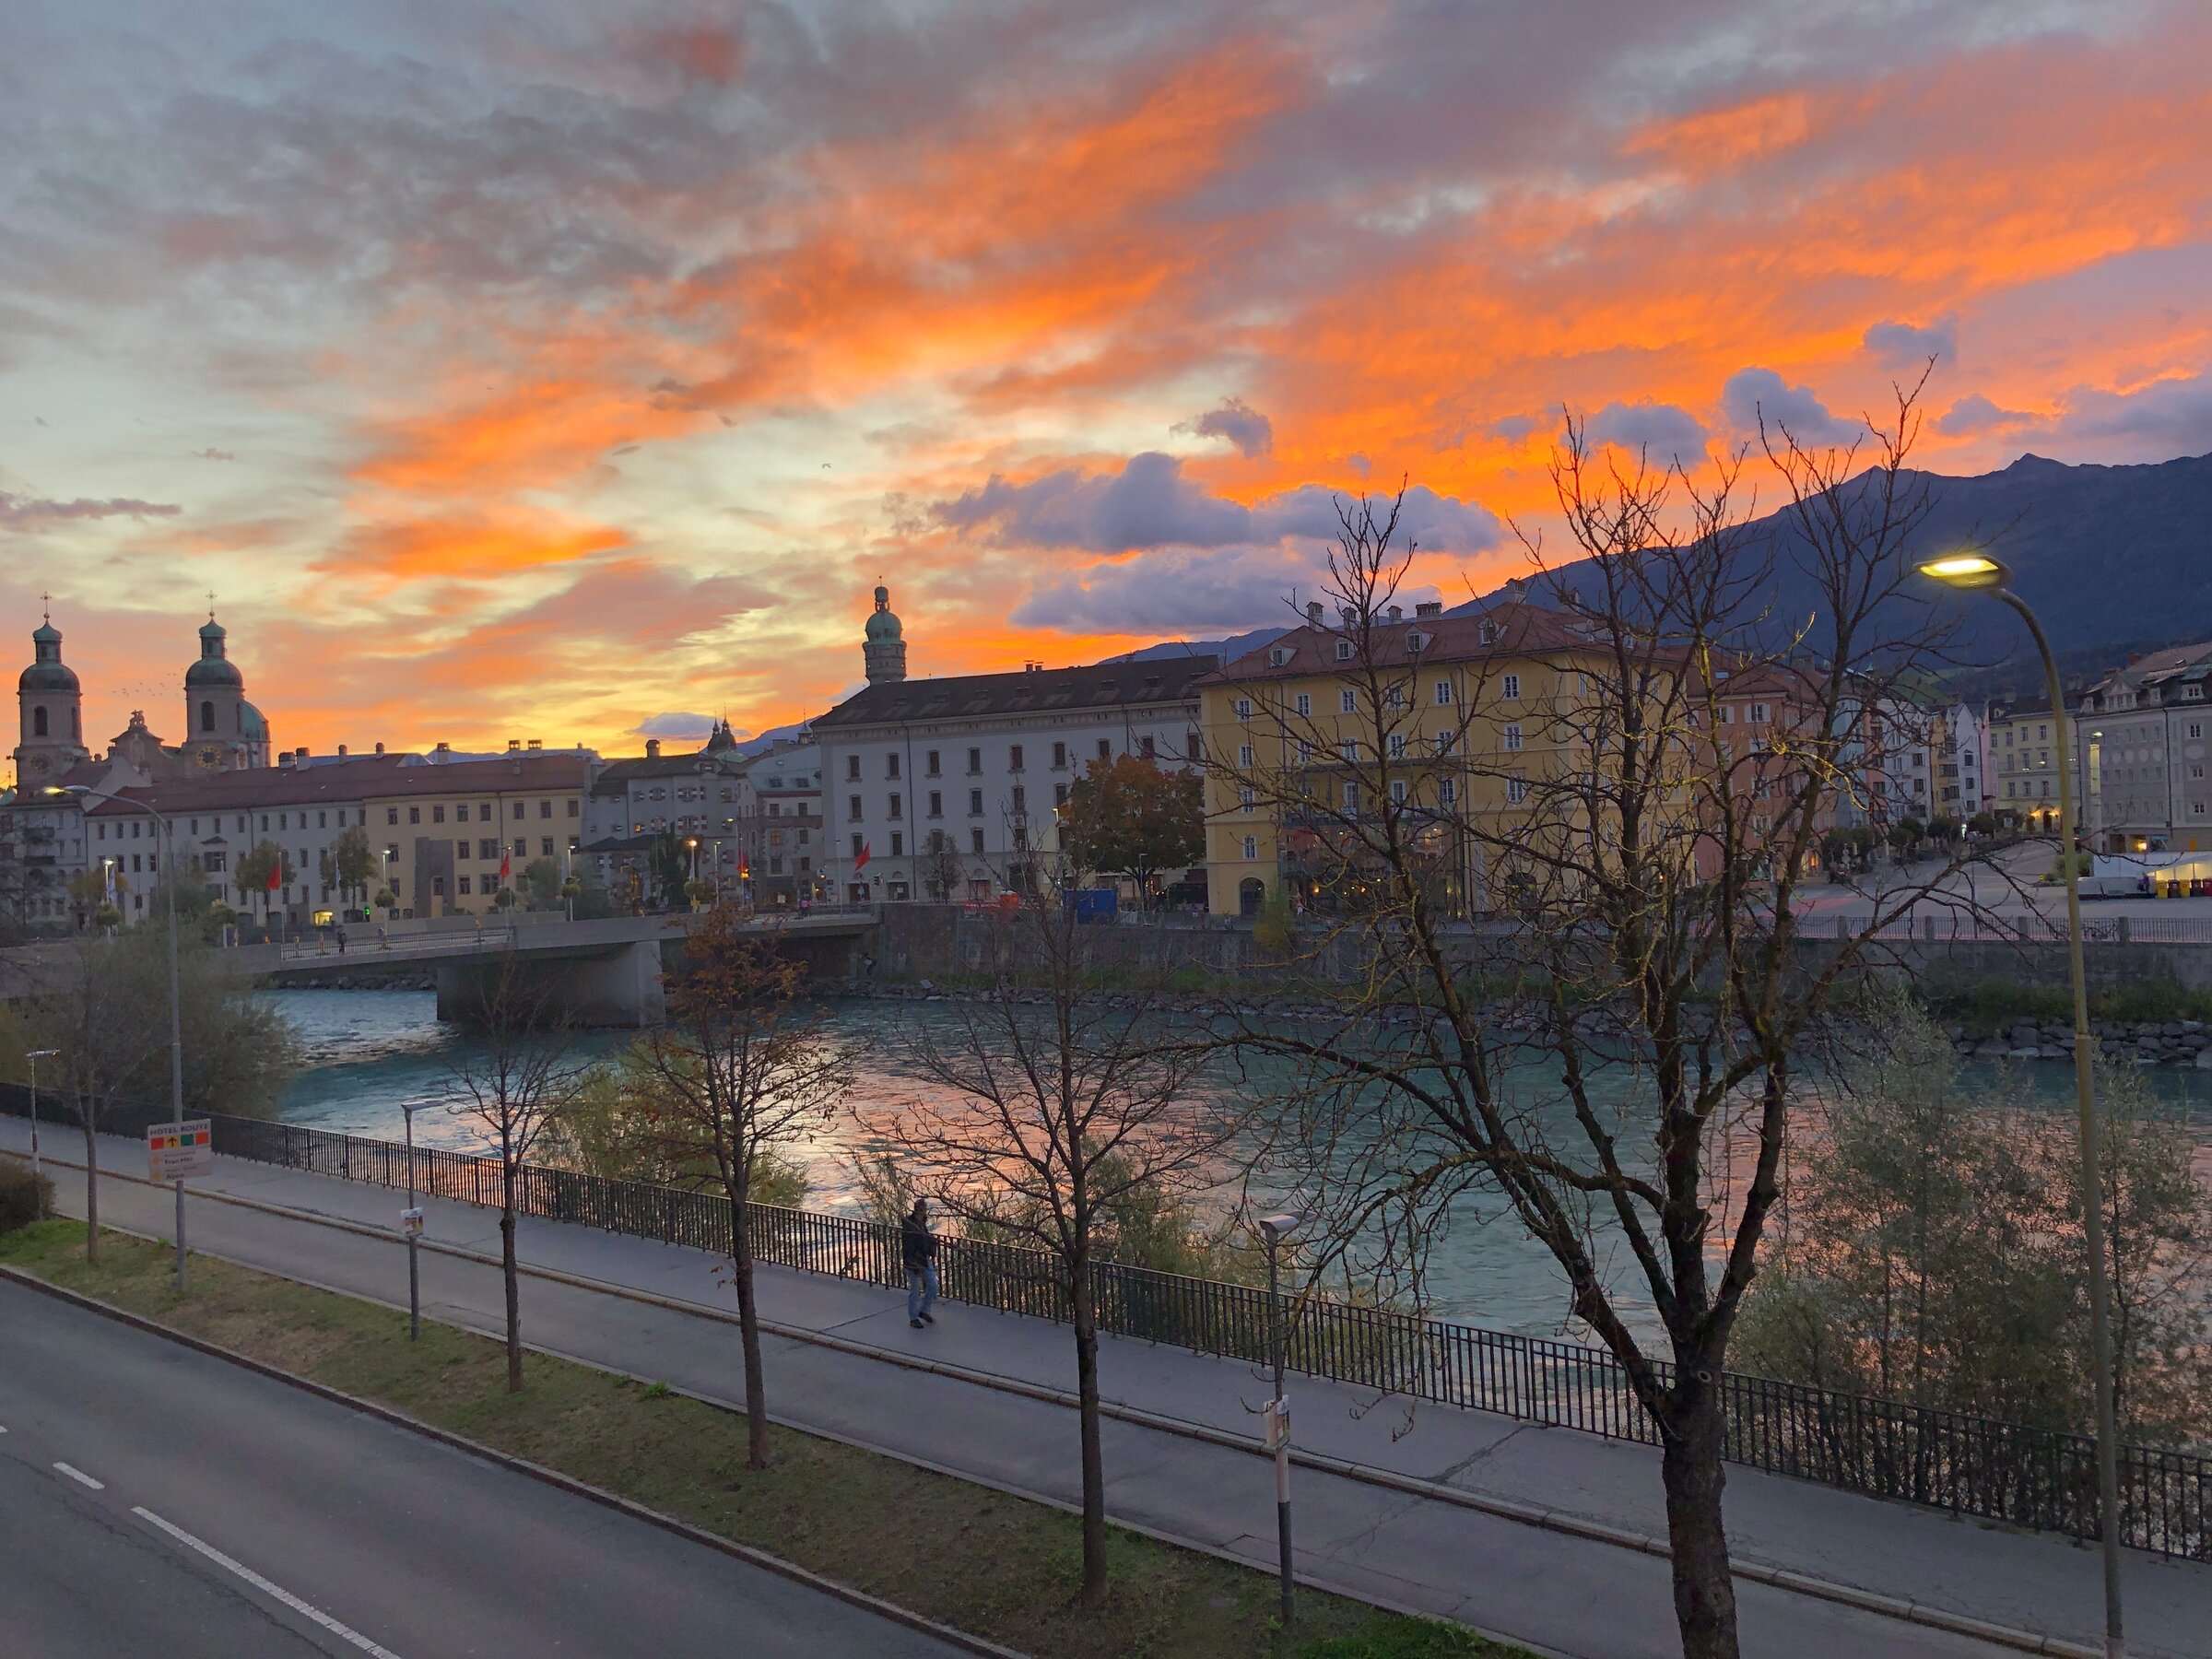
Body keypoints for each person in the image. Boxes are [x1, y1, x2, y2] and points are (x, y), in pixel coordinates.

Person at [901, 1197, 938, 1328]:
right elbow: (909, 1246)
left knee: (933, 1285)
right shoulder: (909, 1226)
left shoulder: (921, 1224)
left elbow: (925, 1240)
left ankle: (924, 1310)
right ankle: (913, 1318)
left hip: (923, 1259)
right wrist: (912, 1262)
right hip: (913, 1261)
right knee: (915, 1289)